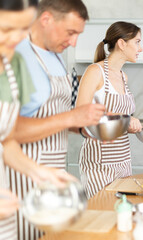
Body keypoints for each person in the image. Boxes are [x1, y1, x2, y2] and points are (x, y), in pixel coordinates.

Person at [9, 0, 105, 239]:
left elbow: (53, 117)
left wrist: (83, 125)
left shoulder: (57, 57)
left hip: (52, 173)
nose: (73, 42)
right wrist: (72, 116)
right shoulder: (17, 57)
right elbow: (11, 130)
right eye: (71, 33)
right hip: (22, 180)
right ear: (46, 19)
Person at [0, 0, 75, 239]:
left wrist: (38, 172)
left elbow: (6, 140)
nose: (17, 39)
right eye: (6, 29)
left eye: (24, 29)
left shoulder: (11, 66)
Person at [76, 21, 143, 198]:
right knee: (102, 213)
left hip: (123, 160)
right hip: (99, 163)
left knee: (122, 214)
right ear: (122, 44)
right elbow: (80, 115)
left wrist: (131, 124)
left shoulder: (123, 77)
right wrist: (125, 120)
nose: (140, 48)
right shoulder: (95, 71)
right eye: (137, 42)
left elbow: (120, 119)